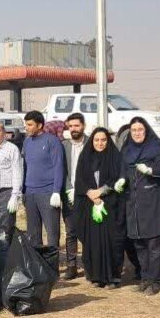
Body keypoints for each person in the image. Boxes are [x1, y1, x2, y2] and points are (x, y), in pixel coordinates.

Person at [116, 117, 160, 296]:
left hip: (153, 202)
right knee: (139, 243)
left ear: (146, 131)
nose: (137, 133)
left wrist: (151, 170)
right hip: (133, 203)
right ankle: (145, 277)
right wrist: (121, 179)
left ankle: (155, 280)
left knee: (154, 243)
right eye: (134, 130)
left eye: (140, 130)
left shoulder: (157, 149)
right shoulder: (127, 150)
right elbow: (123, 170)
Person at [74, 128, 124, 288]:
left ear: (108, 141)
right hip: (89, 205)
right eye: (97, 140)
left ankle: (113, 277)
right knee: (92, 241)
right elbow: (80, 179)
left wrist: (101, 192)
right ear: (92, 141)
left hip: (110, 204)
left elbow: (117, 177)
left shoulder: (115, 157)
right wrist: (90, 193)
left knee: (111, 241)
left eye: (103, 140)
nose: (100, 143)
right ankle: (96, 276)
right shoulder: (85, 157)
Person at [21, 111, 66, 247]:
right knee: (33, 235)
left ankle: (52, 267)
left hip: (48, 194)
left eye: (30, 124)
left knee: (52, 234)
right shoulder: (27, 142)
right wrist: (23, 191)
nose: (26, 127)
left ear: (40, 125)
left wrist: (56, 191)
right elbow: (25, 167)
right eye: (26, 124)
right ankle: (38, 267)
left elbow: (59, 167)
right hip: (30, 194)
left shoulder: (52, 141)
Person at [62, 113, 88, 279]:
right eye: (70, 126)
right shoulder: (63, 146)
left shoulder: (92, 143)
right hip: (69, 194)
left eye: (76, 126)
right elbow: (60, 170)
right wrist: (68, 188)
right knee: (71, 231)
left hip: (87, 194)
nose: (73, 129)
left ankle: (88, 264)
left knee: (87, 231)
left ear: (83, 126)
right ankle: (71, 265)